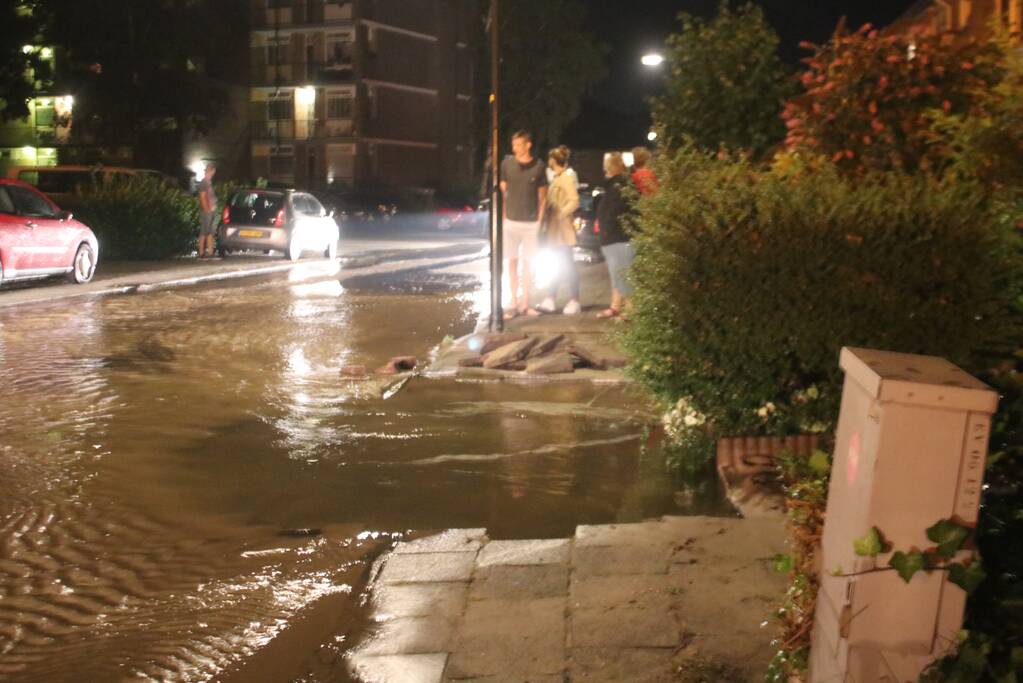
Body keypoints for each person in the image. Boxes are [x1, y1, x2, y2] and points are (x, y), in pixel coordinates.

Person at [500, 130, 548, 319]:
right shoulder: (507, 164)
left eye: (519, 144)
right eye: (514, 145)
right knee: (511, 262)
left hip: (530, 223)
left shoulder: (538, 166)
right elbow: (504, 192)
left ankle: (525, 303)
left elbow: (543, 196)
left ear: (528, 145)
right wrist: (504, 217)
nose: (515, 148)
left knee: (528, 264)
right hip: (511, 221)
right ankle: (513, 301)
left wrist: (539, 221)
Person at [537, 146, 581, 315]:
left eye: (550, 159)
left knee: (568, 265)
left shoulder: (565, 178)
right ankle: (550, 298)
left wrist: (562, 213)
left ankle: (574, 300)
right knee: (556, 265)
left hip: (562, 231)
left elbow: (574, 201)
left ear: (553, 160)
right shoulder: (558, 178)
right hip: (555, 230)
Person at [595, 152, 635, 319]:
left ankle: (630, 309)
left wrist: (606, 229)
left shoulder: (620, 185)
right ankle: (616, 306)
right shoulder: (615, 184)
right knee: (616, 273)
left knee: (622, 272)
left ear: (611, 167)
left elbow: (616, 211)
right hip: (614, 237)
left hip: (619, 237)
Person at [197, 163, 218, 258]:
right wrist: (207, 209)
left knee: (210, 232)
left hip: (211, 211)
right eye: (212, 172)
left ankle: (210, 252)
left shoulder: (208, 182)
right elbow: (202, 197)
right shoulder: (203, 183)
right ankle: (201, 252)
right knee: (204, 231)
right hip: (207, 211)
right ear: (209, 171)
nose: (212, 174)